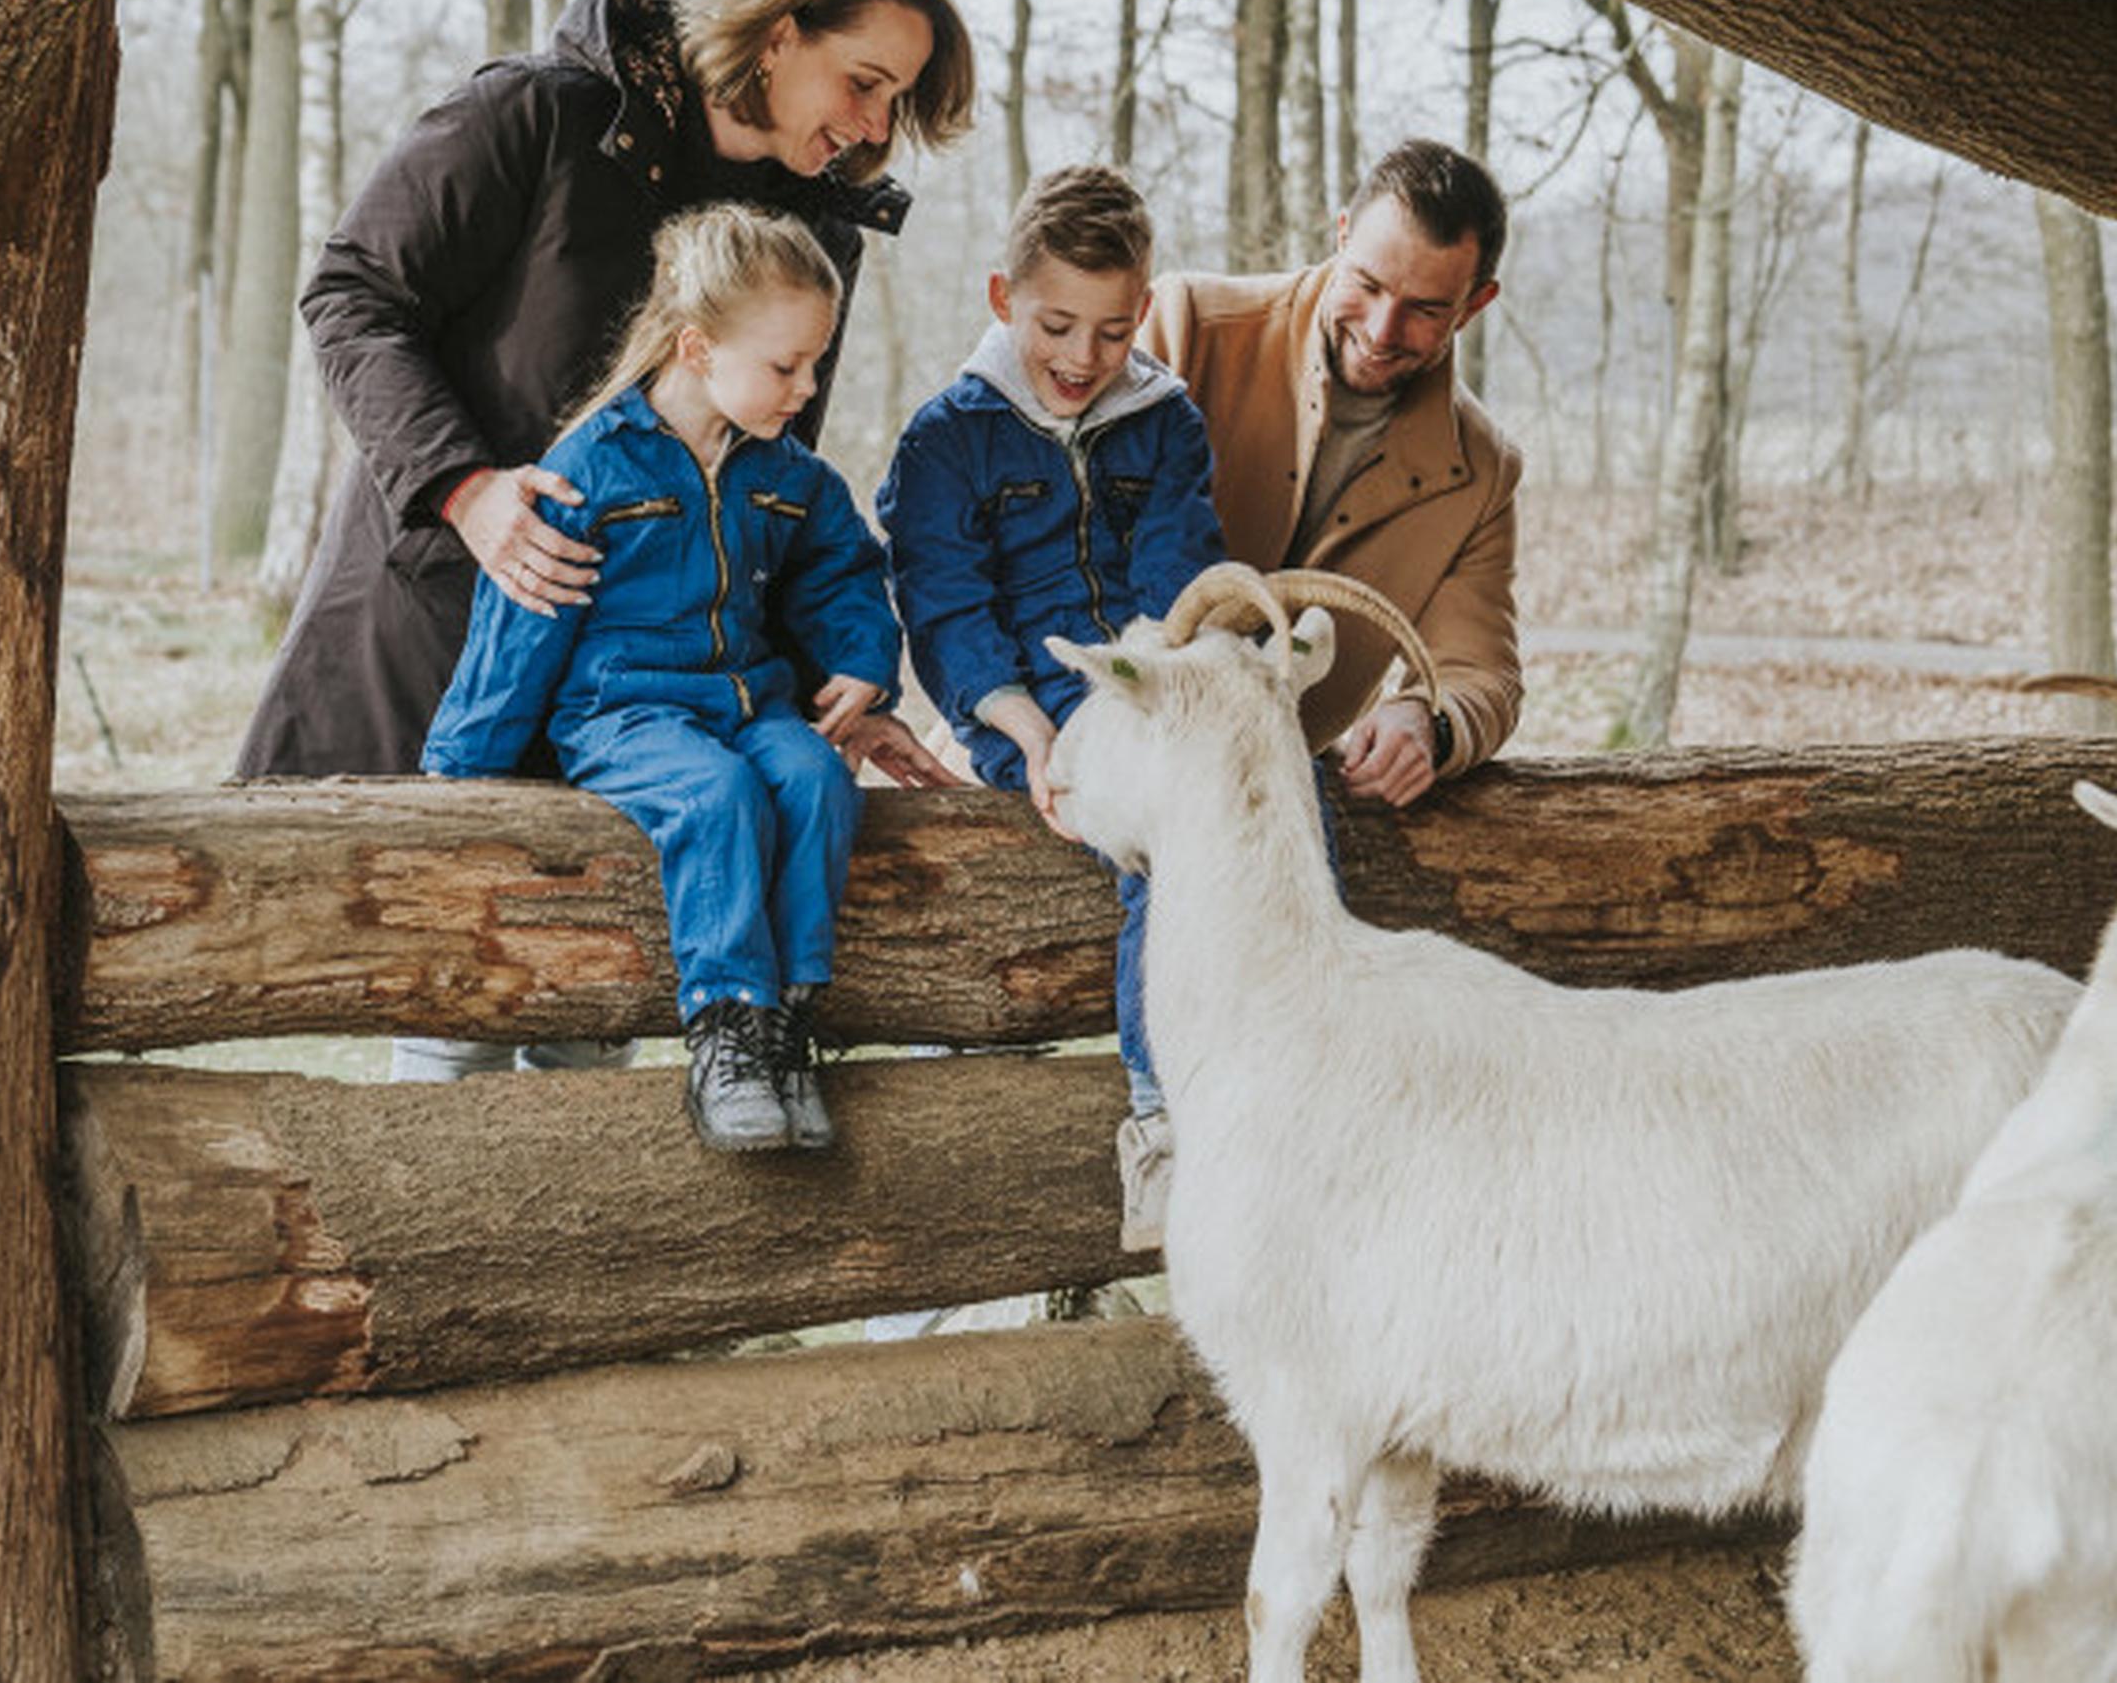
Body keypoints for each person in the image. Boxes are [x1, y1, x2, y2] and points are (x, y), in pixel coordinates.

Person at [236, 0, 970, 1080]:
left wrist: (833, 676)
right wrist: (466, 487)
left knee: (597, 1012)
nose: (876, 126)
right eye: (865, 81)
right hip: (464, 637)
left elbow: (763, 485)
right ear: (779, 34)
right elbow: (352, 293)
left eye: (896, 104)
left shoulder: (815, 220)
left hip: (665, 709)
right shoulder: (537, 117)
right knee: (459, 997)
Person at [423, 206, 908, 1153]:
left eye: (814, 364)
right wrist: (461, 768)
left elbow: (843, 568)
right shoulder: (592, 467)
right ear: (696, 345)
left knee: (810, 776)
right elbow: (522, 616)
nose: (806, 388)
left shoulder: (787, 475)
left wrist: (863, 663)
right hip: (624, 714)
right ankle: (724, 1026)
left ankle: (786, 1025)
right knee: (714, 795)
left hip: (745, 701)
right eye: (785, 366)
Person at [1128, 138, 1526, 1236]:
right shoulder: (1184, 325)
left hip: (1271, 818)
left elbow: (1480, 667)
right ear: (1339, 234)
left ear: (1476, 302)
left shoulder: (1482, 467)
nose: (1385, 329)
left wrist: (1426, 718)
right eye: (1369, 285)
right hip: (1106, 747)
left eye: (1427, 310)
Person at [875, 164, 1227, 1213]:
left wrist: (1165, 690)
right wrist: (1031, 734)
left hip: (1153, 681)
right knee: (1159, 837)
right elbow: (944, 607)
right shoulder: (950, 435)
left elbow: (1179, 575)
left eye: (1113, 331)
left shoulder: (1168, 421)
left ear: (1144, 315)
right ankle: (1163, 1112)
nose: (1084, 357)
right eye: (1058, 324)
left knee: (1272, 797)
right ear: (1004, 299)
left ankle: (1291, 1061)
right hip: (1024, 697)